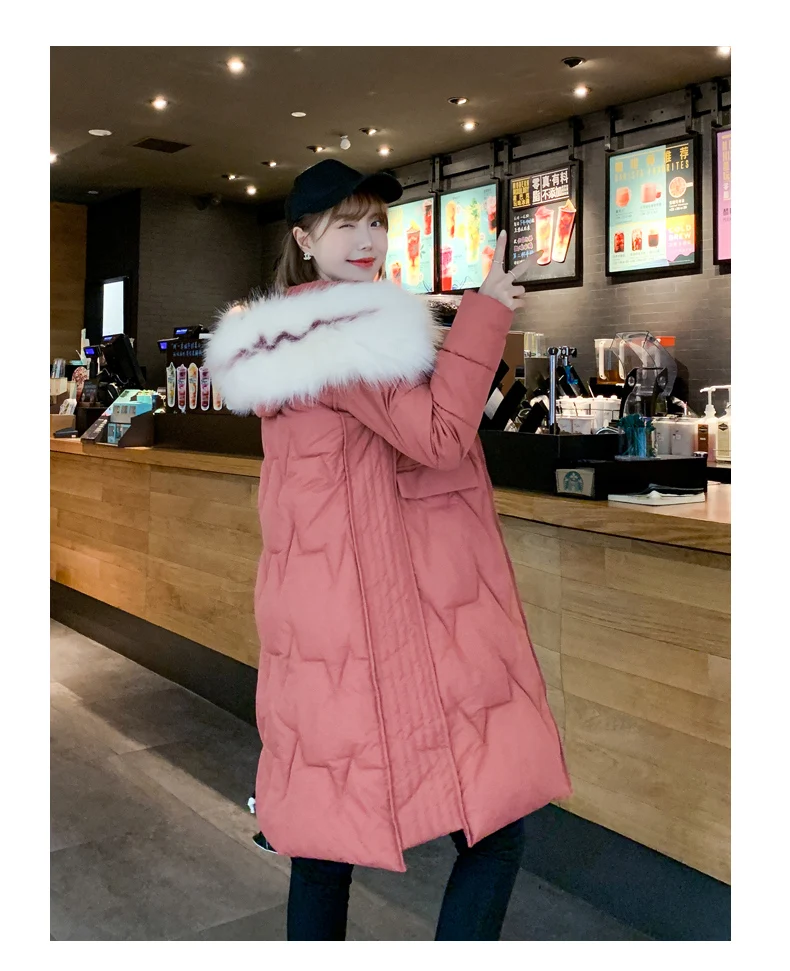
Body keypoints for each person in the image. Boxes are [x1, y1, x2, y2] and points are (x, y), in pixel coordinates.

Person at [206, 159, 571, 941]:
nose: (368, 238)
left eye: (376, 221)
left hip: (320, 630)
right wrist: (485, 312)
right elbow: (439, 436)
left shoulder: (292, 334)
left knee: (323, 844)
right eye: (346, 224)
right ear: (304, 239)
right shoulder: (344, 332)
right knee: (494, 832)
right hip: (375, 626)